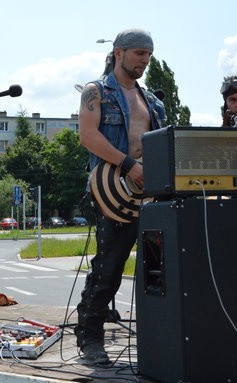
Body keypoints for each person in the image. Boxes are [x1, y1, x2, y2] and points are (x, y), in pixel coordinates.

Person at [76, 28, 164, 364]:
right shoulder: (96, 91)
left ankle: (159, 336)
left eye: (148, 55)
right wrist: (129, 164)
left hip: (150, 194)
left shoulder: (152, 100)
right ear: (118, 53)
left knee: (159, 268)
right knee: (109, 266)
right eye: (139, 53)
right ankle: (91, 338)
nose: (145, 60)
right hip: (110, 191)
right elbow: (88, 135)